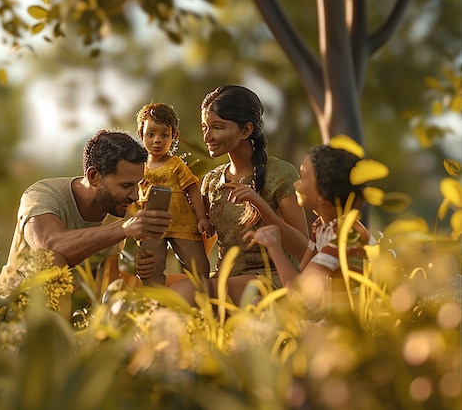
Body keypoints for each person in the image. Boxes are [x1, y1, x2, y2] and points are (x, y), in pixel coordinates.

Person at [137, 85, 309, 303]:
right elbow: (198, 245)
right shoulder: (211, 181)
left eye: (217, 127)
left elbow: (303, 251)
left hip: (271, 280)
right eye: (204, 127)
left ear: (246, 130)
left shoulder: (280, 174)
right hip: (226, 279)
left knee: (185, 293)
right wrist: (149, 257)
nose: (207, 137)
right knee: (155, 292)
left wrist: (260, 206)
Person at [0, 129, 172, 298]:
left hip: (73, 314)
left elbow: (107, 286)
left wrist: (143, 272)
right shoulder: (41, 195)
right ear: (94, 176)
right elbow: (50, 247)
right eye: (126, 186)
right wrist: (124, 229)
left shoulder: (117, 211)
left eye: (137, 185)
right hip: (14, 308)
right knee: (52, 260)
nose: (135, 196)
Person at [243, 143, 376, 303]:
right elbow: (303, 272)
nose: (296, 184)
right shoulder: (321, 226)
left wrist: (274, 247)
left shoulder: (344, 236)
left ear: (321, 193)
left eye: (303, 178)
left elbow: (301, 292)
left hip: (347, 317)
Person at [133, 102, 212, 285]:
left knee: (198, 267)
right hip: (151, 226)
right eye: (150, 134)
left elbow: (192, 189)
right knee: (150, 269)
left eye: (164, 135)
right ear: (141, 134)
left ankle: (202, 301)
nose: (157, 140)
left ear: (174, 136)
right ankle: (155, 305)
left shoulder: (176, 164)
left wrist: (201, 218)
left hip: (183, 223)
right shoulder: (138, 167)